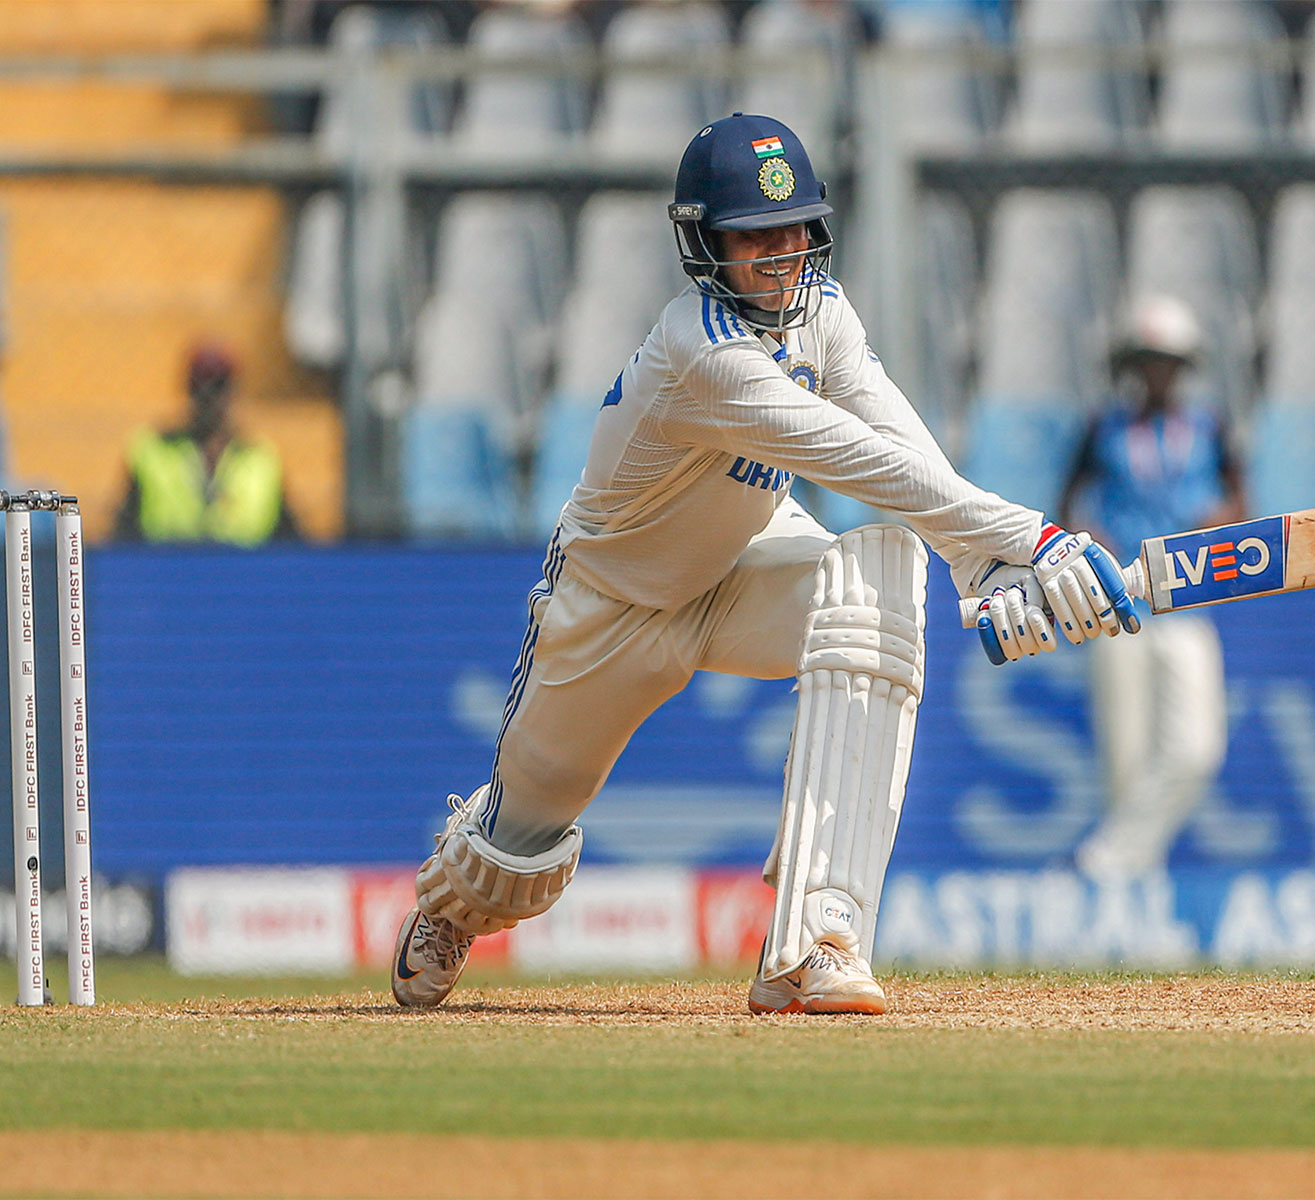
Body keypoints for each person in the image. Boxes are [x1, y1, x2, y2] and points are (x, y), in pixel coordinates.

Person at [390, 113, 1138, 1016]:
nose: (782, 254)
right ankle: (451, 908)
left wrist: (978, 563)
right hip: (611, 606)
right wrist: (1037, 540)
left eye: (794, 229)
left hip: (746, 565)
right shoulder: (697, 350)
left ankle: (816, 940)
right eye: (754, 236)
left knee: (878, 580)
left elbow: (902, 442)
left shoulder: (826, 314)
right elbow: (853, 457)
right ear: (706, 244)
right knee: (519, 839)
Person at [1062, 295, 1243, 881]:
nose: (1155, 373)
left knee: (1196, 749)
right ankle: (1134, 902)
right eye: (1146, 360)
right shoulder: (1103, 427)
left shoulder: (1210, 426)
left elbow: (1241, 503)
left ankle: (1105, 862)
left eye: (1165, 361)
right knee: (1125, 761)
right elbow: (1067, 509)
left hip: (1187, 603)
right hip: (1119, 607)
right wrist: (1089, 542)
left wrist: (1218, 524)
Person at [114, 342, 297, 546]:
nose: (209, 396)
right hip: (169, 571)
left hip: (244, 574)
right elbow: (123, 534)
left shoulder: (261, 459)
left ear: (233, 392)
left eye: (218, 386)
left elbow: (291, 540)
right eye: (199, 387)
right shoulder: (153, 452)